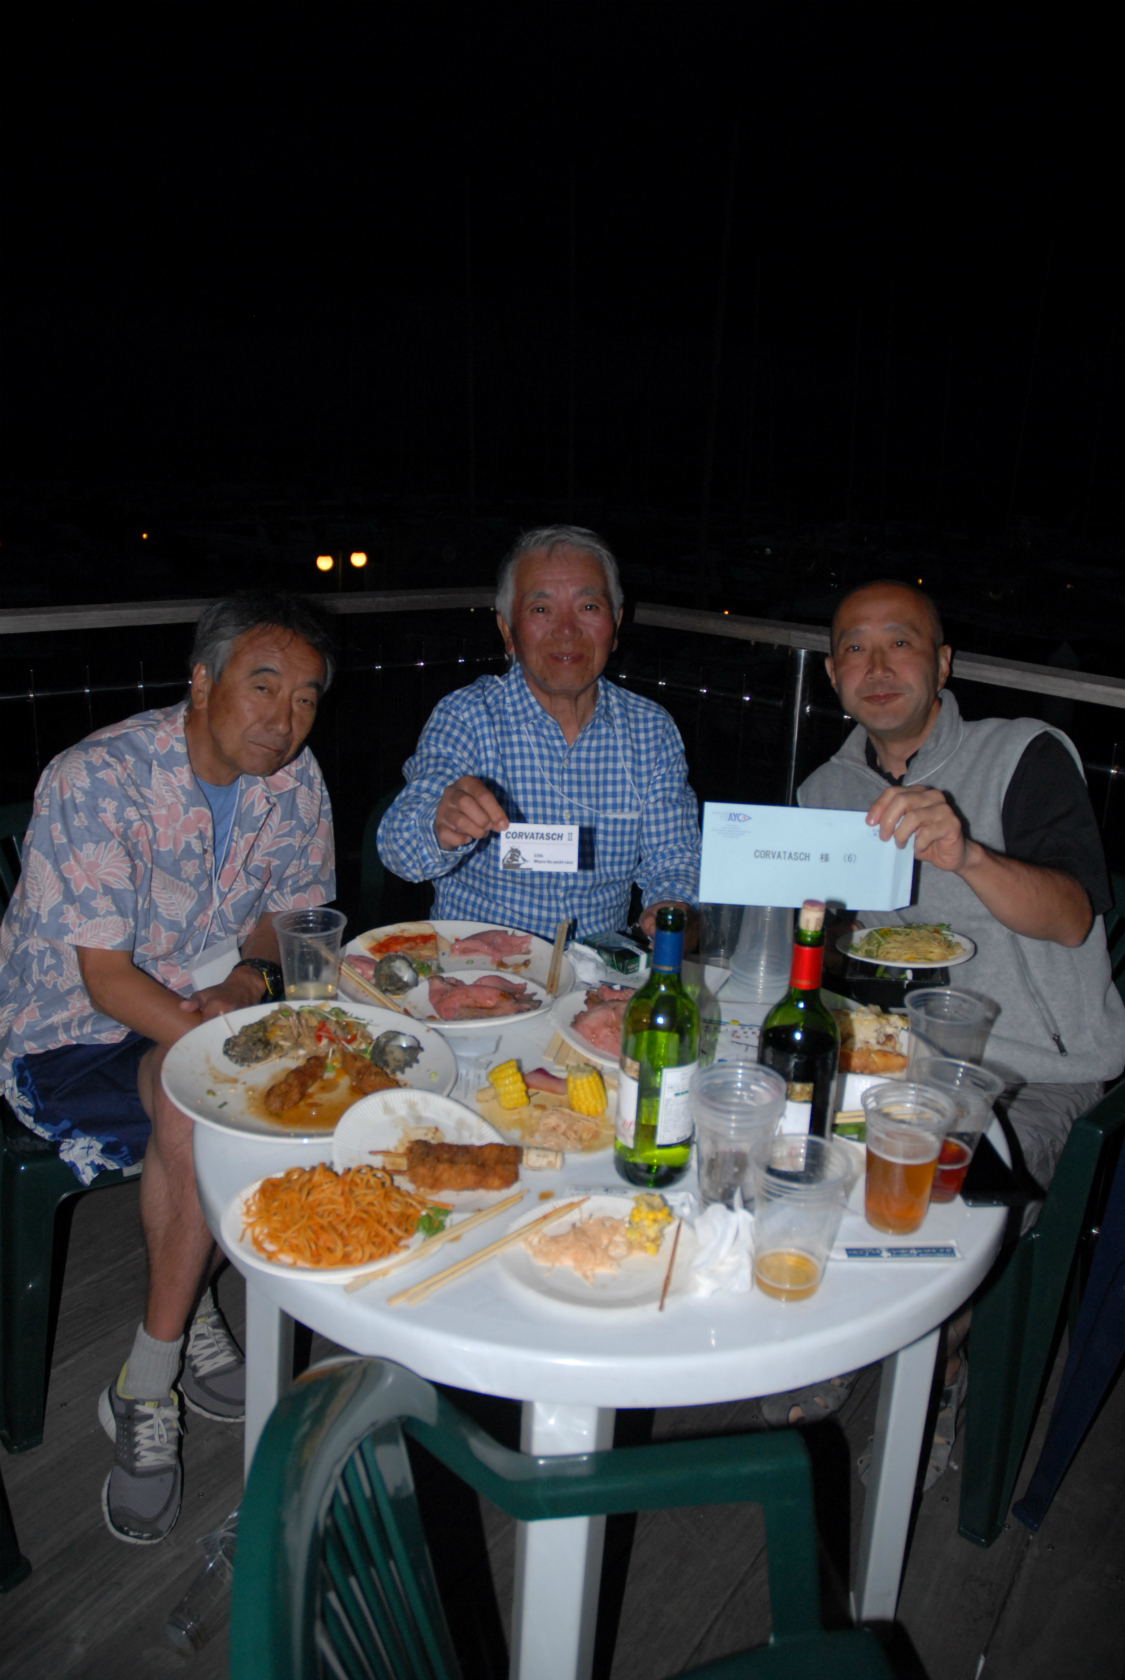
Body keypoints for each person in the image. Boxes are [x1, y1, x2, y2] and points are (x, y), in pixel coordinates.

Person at [761, 579, 1124, 1464]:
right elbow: (836, 947)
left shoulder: (1022, 752)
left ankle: (940, 1363)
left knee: (932, 1201)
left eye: (901, 642)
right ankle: (827, 1322)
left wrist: (966, 853)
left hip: (1034, 1067)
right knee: (776, 1134)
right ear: (832, 675)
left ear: (943, 663)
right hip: (895, 1052)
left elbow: (1072, 916)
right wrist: (790, 912)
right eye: (853, 648)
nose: (876, 665)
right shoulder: (824, 789)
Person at [0, 590, 336, 1543]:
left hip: (199, 1002)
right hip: (69, 1033)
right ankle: (149, 1381)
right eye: (262, 686)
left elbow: (289, 913)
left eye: (305, 698)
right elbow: (104, 980)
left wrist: (243, 981)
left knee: (319, 1087)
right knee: (205, 1111)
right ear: (200, 681)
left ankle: (181, 1308)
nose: (283, 719)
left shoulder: (295, 781)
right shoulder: (96, 777)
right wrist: (212, 1032)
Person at [377, 524, 701, 940]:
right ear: (507, 631)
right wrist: (440, 824)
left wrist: (670, 906)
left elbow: (674, 857)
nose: (566, 629)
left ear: (616, 624)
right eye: (541, 609)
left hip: (594, 967)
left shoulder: (651, 731)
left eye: (588, 606)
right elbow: (399, 849)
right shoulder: (468, 717)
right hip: (478, 965)